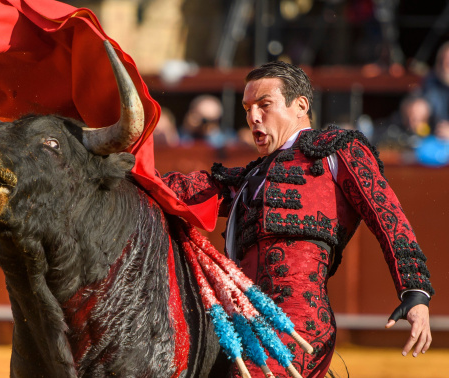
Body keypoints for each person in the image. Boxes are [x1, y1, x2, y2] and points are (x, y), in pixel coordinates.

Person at [162, 61, 434, 377]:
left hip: (298, 325)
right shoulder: (249, 179)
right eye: (248, 108)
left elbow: (387, 216)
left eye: (265, 105)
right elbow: (182, 189)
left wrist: (415, 291)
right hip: (241, 327)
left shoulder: (334, 151)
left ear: (300, 106)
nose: (253, 117)